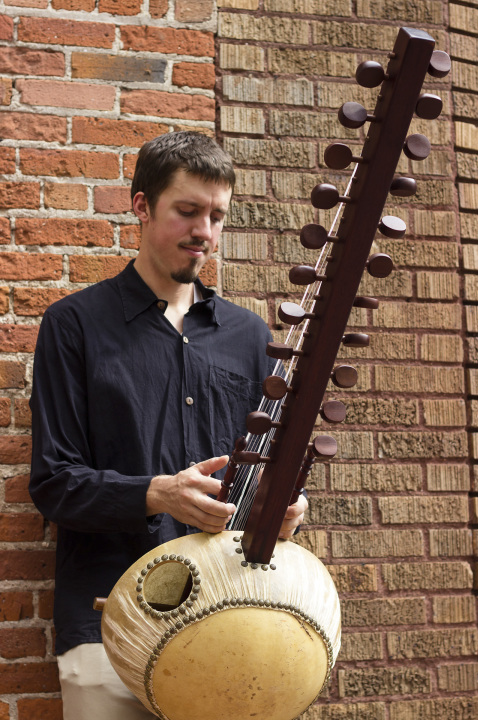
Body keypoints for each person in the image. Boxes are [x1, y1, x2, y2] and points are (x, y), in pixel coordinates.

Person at [29, 131, 308, 720]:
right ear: (141, 206)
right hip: (110, 629)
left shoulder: (251, 336)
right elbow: (54, 484)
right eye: (187, 211)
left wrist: (282, 508)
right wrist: (157, 493)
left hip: (233, 624)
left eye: (217, 216)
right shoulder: (73, 325)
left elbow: (259, 476)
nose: (204, 231)